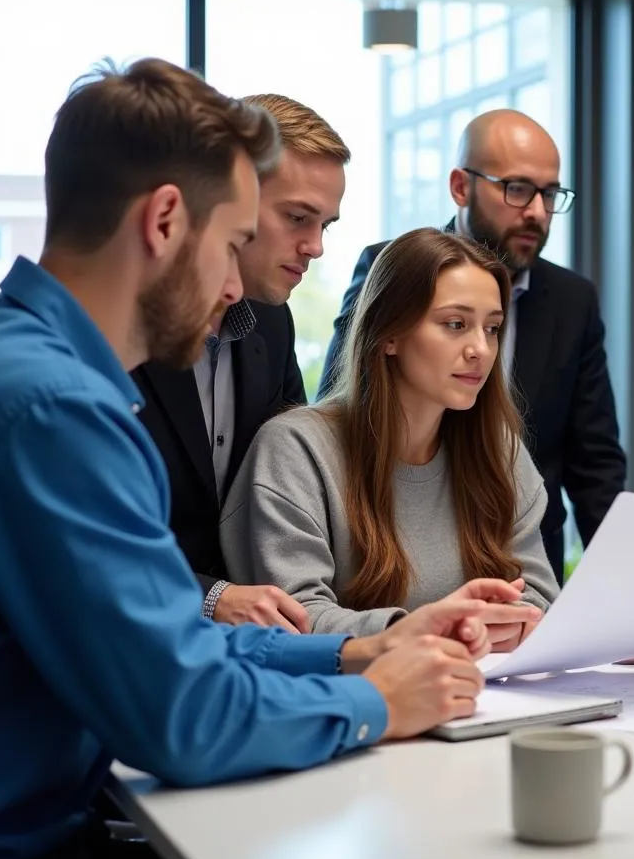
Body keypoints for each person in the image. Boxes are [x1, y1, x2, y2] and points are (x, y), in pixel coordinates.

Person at [0, 60, 538, 859]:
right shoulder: (58, 409)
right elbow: (180, 714)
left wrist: (361, 648)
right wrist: (372, 701)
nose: (232, 289)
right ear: (166, 221)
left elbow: (174, 637)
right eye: (235, 242)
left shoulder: (42, 376)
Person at [318, 109, 626, 583]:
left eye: (549, 193)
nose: (537, 212)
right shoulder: (392, 270)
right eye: (518, 189)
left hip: (519, 570)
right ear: (461, 187)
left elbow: (596, 464)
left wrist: (624, 587)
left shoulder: (571, 299)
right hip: (394, 557)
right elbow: (347, 404)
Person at [221, 228, 559, 648]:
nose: (480, 349)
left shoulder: (499, 450)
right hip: (351, 699)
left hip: (484, 700)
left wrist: (463, 630)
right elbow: (294, 616)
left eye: (491, 328)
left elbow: (539, 600)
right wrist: (430, 631)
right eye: (455, 324)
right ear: (389, 335)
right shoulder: (296, 450)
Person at [132, 93, 348, 631]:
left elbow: (298, 479)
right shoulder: (118, 330)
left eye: (327, 225)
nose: (316, 247)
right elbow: (85, 547)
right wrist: (210, 597)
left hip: (248, 645)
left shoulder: (272, 322)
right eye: (298, 217)